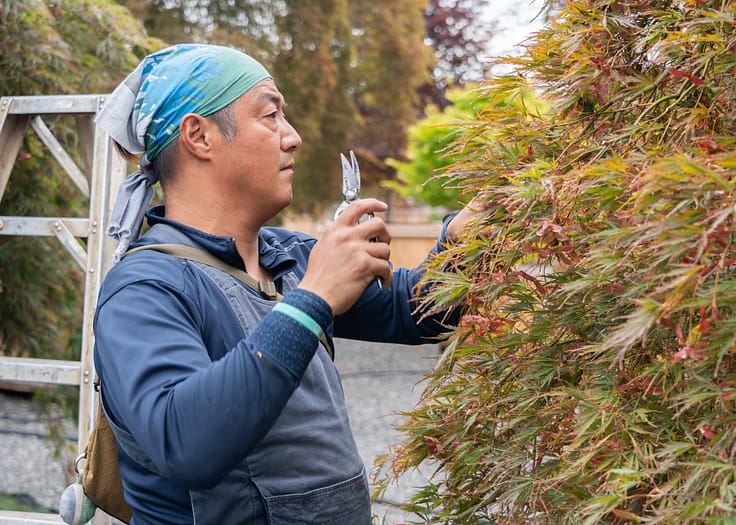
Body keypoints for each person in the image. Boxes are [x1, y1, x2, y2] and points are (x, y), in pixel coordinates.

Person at [92, 43, 475, 525]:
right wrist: (313, 299)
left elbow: (418, 312)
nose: (292, 138)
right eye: (271, 115)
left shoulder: (286, 256)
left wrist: (464, 243)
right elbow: (184, 443)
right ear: (199, 136)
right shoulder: (145, 288)